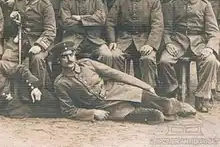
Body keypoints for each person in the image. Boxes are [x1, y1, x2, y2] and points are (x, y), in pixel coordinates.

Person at [52, 41, 196, 124]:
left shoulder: (87, 63)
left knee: (150, 98)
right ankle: (158, 113)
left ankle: (175, 106)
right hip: (104, 106)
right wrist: (92, 112)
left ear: (75, 54)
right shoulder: (61, 83)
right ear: (59, 61)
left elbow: (117, 74)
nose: (70, 59)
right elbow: (68, 110)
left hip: (116, 90)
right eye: (64, 57)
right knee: (153, 116)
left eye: (71, 55)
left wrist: (145, 86)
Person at [158, 0, 219, 113]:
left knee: (210, 61)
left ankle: (202, 96)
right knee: (164, 61)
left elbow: (213, 31)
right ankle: (174, 91)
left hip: (199, 43)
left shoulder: (204, 5)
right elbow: (166, 29)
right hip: (178, 42)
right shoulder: (173, 4)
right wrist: (168, 43)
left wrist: (210, 47)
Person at [0, 47, 61, 124]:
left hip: (24, 92)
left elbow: (20, 69)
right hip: (12, 109)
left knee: (55, 101)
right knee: (54, 113)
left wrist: (34, 87)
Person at [106, 0, 163, 88]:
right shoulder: (121, 0)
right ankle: (119, 89)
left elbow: (157, 25)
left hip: (144, 40)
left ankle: (148, 91)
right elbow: (110, 21)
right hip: (124, 40)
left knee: (147, 58)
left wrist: (150, 44)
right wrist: (112, 41)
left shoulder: (153, 1)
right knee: (115, 55)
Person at [2, 0, 55, 88]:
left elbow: (50, 30)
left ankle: (38, 90)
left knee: (37, 59)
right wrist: (14, 20)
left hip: (38, 39)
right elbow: (14, 26)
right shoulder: (19, 1)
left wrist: (39, 45)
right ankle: (10, 90)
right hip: (21, 37)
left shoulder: (45, 5)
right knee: (7, 57)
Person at [59, 0, 111, 66]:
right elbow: (66, 23)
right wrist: (91, 21)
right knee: (65, 55)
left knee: (107, 54)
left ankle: (105, 81)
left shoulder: (96, 0)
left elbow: (101, 19)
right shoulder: (67, 2)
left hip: (94, 39)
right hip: (73, 39)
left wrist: (80, 18)